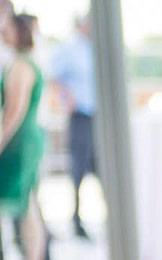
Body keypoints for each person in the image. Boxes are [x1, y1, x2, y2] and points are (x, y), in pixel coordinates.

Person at [0, 9, 46, 260]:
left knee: (24, 203)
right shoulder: (21, 62)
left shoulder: (21, 66)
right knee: (27, 203)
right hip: (24, 138)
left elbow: (13, 112)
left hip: (20, 141)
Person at [44, 12, 89, 239]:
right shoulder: (69, 48)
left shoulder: (95, 48)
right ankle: (77, 222)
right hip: (79, 115)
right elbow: (53, 76)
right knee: (78, 169)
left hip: (98, 116)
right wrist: (67, 97)